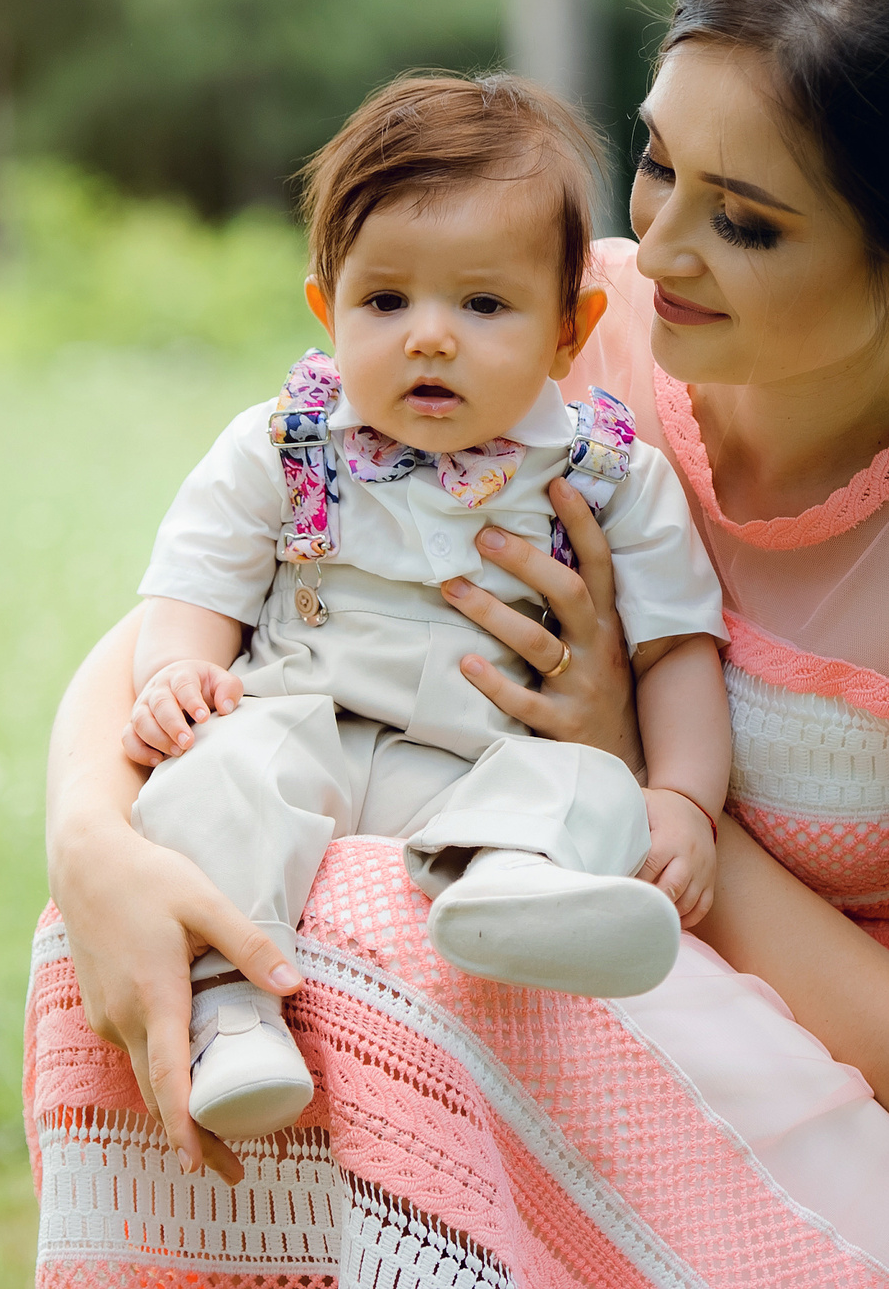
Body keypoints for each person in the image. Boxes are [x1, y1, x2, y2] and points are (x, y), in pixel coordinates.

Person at [28, 0, 889, 1288]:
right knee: (174, 901)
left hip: (839, 1138)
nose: (659, 254)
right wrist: (92, 847)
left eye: (749, 223)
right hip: (550, 975)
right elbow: (228, 596)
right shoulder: (562, 326)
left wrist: (647, 777)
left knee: (385, 932)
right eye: (658, 165)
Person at [119, 72, 732, 1141]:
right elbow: (193, 578)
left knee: (589, 782)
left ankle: (514, 893)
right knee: (213, 777)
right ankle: (233, 1011)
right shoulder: (284, 440)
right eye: (386, 300)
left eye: (483, 304)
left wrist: (683, 793)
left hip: (477, 764)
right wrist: (177, 668)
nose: (430, 336)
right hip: (297, 723)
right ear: (327, 305)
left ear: (568, 326)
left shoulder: (606, 473)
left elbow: (677, 645)